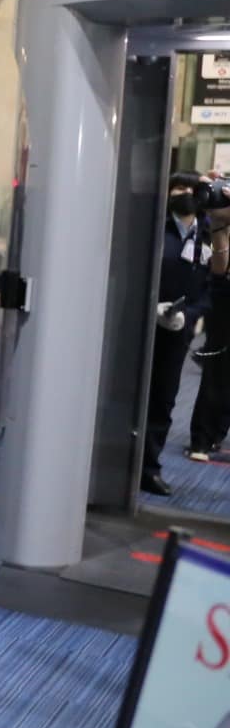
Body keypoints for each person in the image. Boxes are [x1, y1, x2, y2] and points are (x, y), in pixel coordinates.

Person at [146, 171, 213, 497]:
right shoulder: (152, 226)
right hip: (141, 326)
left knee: (164, 399)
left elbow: (211, 288)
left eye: (191, 188)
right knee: (128, 395)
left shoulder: (210, 236)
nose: (184, 193)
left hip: (178, 329)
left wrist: (189, 316)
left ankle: (149, 468)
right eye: (178, 187)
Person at [188, 197, 230, 465]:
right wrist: (219, 225)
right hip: (225, 299)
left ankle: (217, 432)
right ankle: (201, 438)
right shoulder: (221, 225)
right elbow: (219, 269)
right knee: (217, 369)